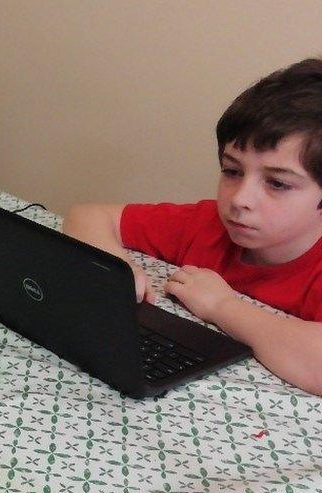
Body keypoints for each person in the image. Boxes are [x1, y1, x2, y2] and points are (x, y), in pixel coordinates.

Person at [62, 57, 322, 396]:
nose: (240, 199)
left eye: (277, 184)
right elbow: (86, 215)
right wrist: (116, 266)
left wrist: (223, 307)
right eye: (232, 171)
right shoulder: (208, 223)